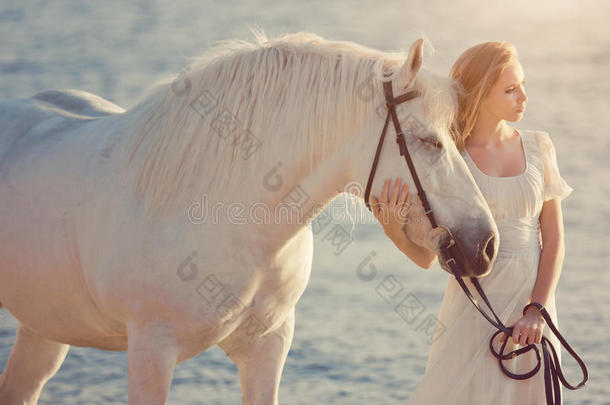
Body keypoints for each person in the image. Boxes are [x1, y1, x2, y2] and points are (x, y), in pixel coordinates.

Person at [369, 41, 573, 404]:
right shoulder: (452, 161)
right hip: (473, 312)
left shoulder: (540, 146)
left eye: (523, 85)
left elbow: (554, 241)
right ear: (479, 94)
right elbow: (428, 258)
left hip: (533, 312)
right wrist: (392, 228)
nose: (523, 97)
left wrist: (536, 310)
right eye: (510, 90)